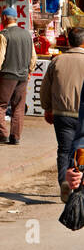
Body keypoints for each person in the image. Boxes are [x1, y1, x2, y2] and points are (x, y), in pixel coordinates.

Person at [42, 26, 84, 177]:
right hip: (81, 115)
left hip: (62, 114)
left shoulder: (57, 60)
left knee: (64, 151)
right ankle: (79, 186)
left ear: (68, 42)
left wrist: (47, 108)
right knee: (82, 151)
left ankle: (65, 185)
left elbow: (46, 87)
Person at [0, 7, 34, 144]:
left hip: (7, 75)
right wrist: (30, 71)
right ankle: (15, 137)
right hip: (23, 76)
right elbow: (33, 56)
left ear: (3, 18)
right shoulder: (26, 34)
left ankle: (2, 135)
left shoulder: (4, 34)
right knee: (18, 106)